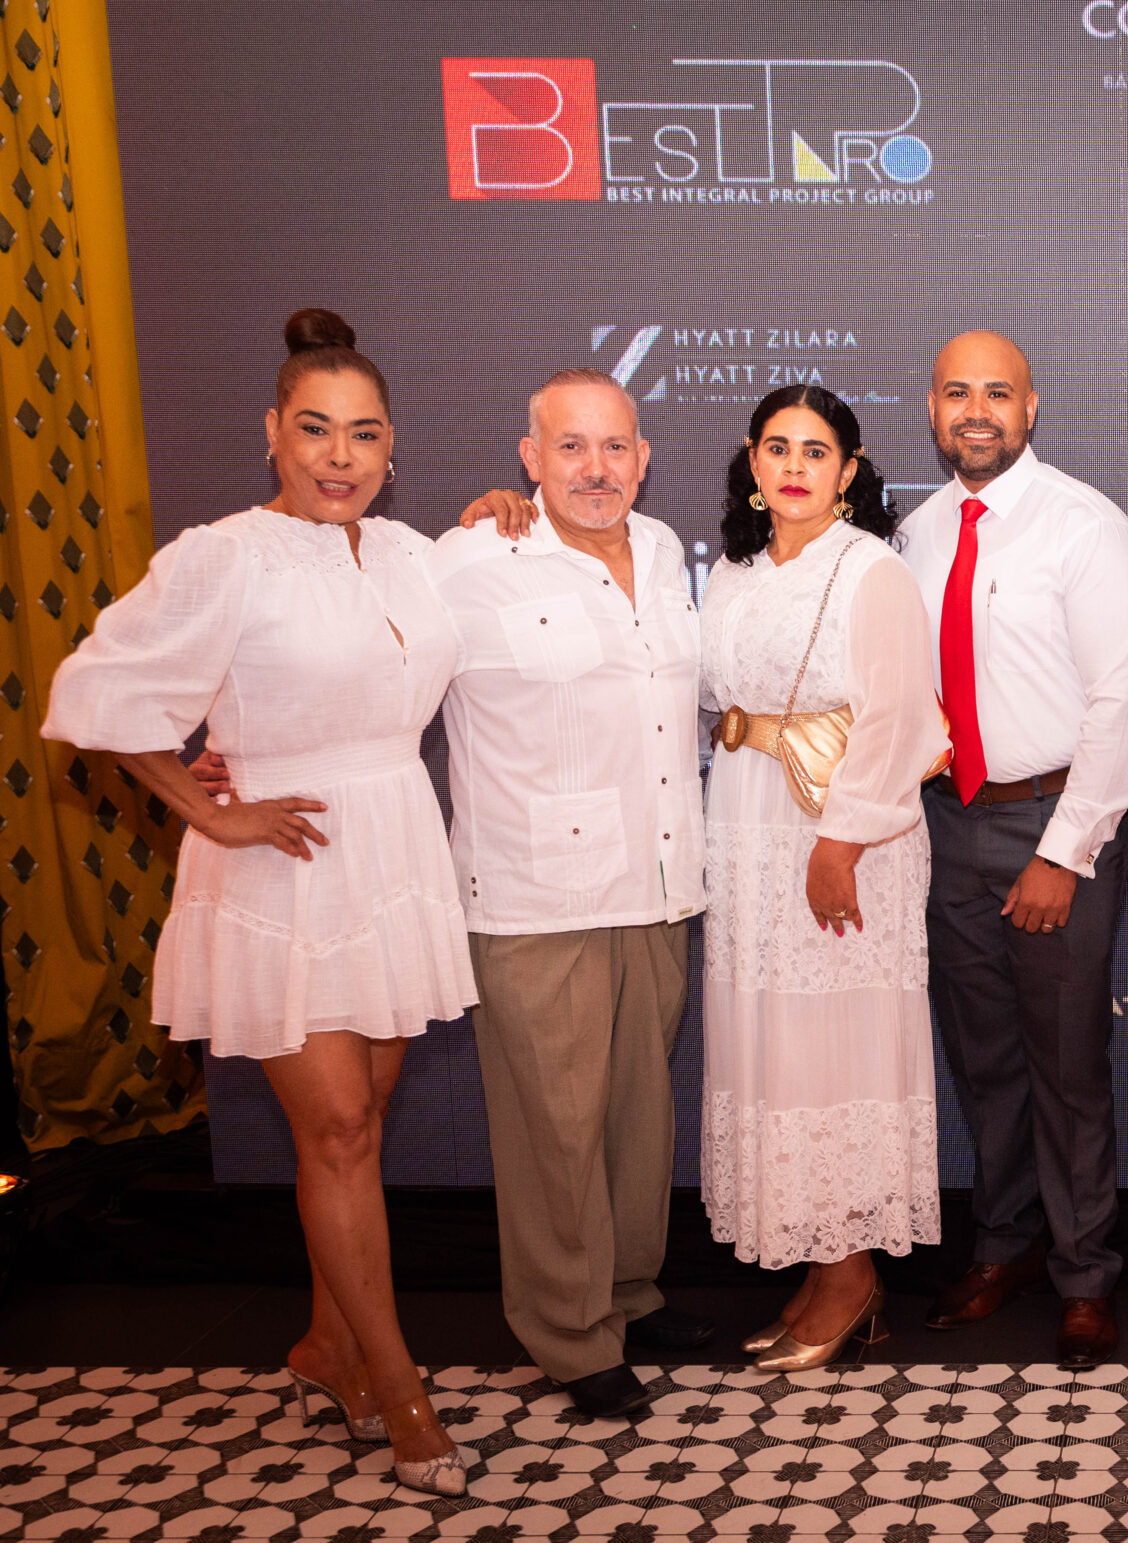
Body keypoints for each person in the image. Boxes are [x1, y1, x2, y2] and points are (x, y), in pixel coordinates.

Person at [43, 310, 475, 1496]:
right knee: (334, 1130)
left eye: (365, 434)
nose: (340, 455)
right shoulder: (222, 554)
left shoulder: (410, 555)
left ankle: (326, 1346)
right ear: (271, 431)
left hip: (391, 848)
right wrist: (210, 806)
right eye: (315, 429)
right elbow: (93, 691)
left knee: (361, 1125)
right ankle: (400, 1389)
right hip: (282, 864)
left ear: (392, 448)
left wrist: (498, 511)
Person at [424, 371, 716, 1421]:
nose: (596, 469)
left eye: (615, 447)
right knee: (554, 1125)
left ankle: (627, 1295)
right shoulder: (470, 559)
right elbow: (375, 667)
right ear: (529, 457)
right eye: (571, 447)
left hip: (658, 885)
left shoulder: (666, 551)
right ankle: (567, 1330)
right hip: (536, 899)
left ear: (643, 458)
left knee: (638, 1116)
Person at [900, 331, 1128, 1368]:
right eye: (957, 391)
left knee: (1066, 1066)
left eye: (997, 392)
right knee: (984, 1059)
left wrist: (1063, 851)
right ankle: (1005, 1245)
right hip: (944, 825)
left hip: (1052, 825)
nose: (977, 410)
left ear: (1031, 407)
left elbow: (1121, 706)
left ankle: (1086, 1274)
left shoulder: (1086, 527)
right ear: (931, 408)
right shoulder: (914, 533)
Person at [697, 384, 950, 1370]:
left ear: (848, 470)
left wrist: (841, 843)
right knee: (772, 1044)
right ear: (751, 462)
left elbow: (898, 717)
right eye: (777, 447)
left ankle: (850, 1274)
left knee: (829, 1049)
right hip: (746, 823)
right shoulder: (734, 571)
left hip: (840, 835)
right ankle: (820, 1264)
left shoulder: (869, 569)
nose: (794, 466)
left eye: (816, 450)